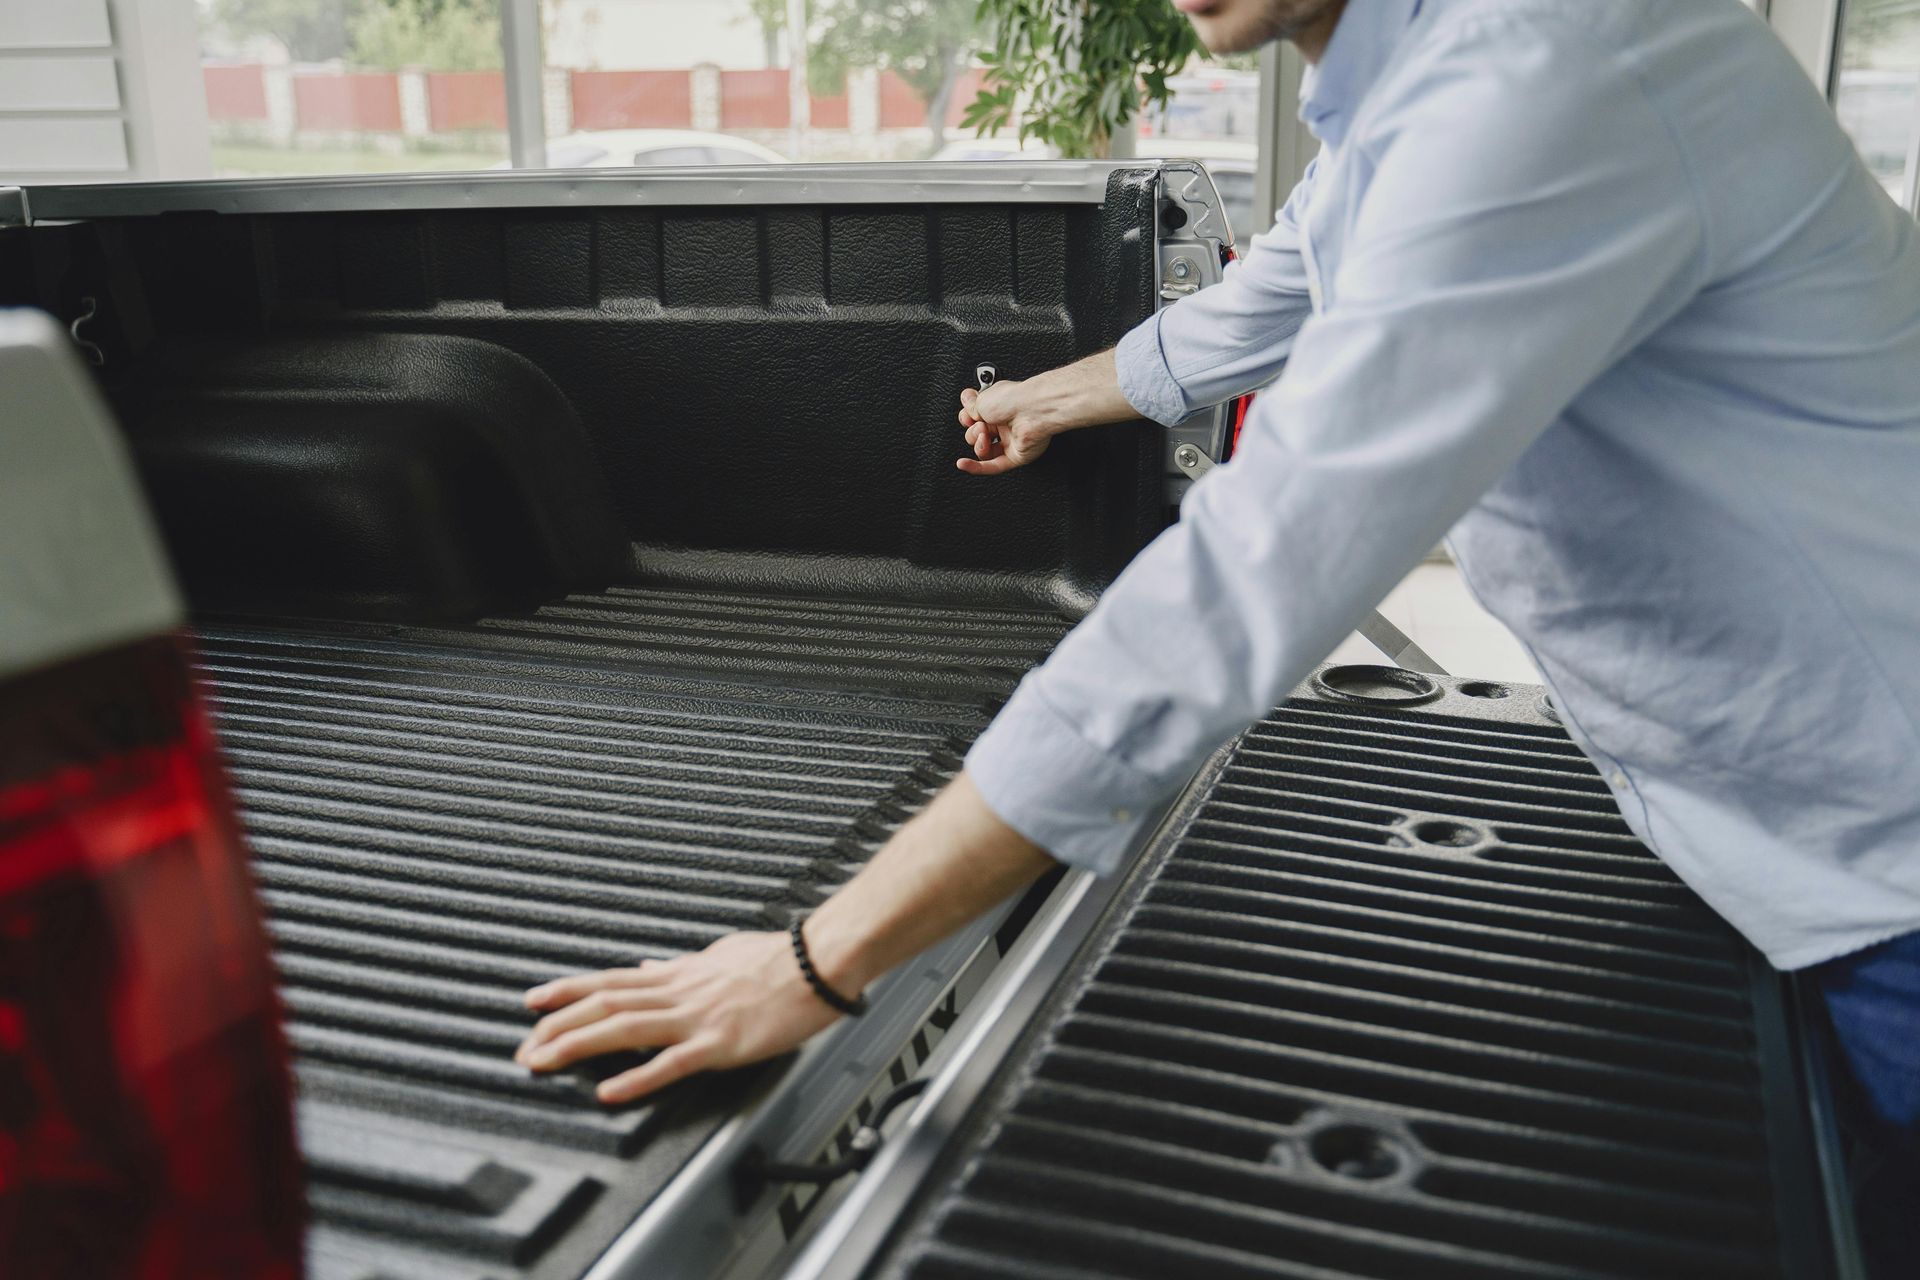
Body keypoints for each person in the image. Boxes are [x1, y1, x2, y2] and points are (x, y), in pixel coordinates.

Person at [516, 0, 1920, 1266]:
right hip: (1752, 820)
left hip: (1885, 858)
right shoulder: (1410, 84)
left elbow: (1267, 565)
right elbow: (1292, 283)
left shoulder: (1551, 70)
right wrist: (1052, 399)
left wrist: (817, 960)